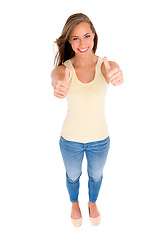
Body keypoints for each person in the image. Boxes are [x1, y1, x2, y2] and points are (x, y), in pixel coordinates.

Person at [51, 13, 124, 227]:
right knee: (73, 177)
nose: (82, 43)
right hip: (70, 141)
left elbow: (114, 70)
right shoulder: (65, 69)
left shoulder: (105, 66)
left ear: (94, 36)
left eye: (86, 36)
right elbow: (55, 75)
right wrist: (57, 84)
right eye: (75, 38)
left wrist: (117, 72)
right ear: (69, 42)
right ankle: (74, 204)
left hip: (100, 140)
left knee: (96, 176)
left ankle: (92, 202)